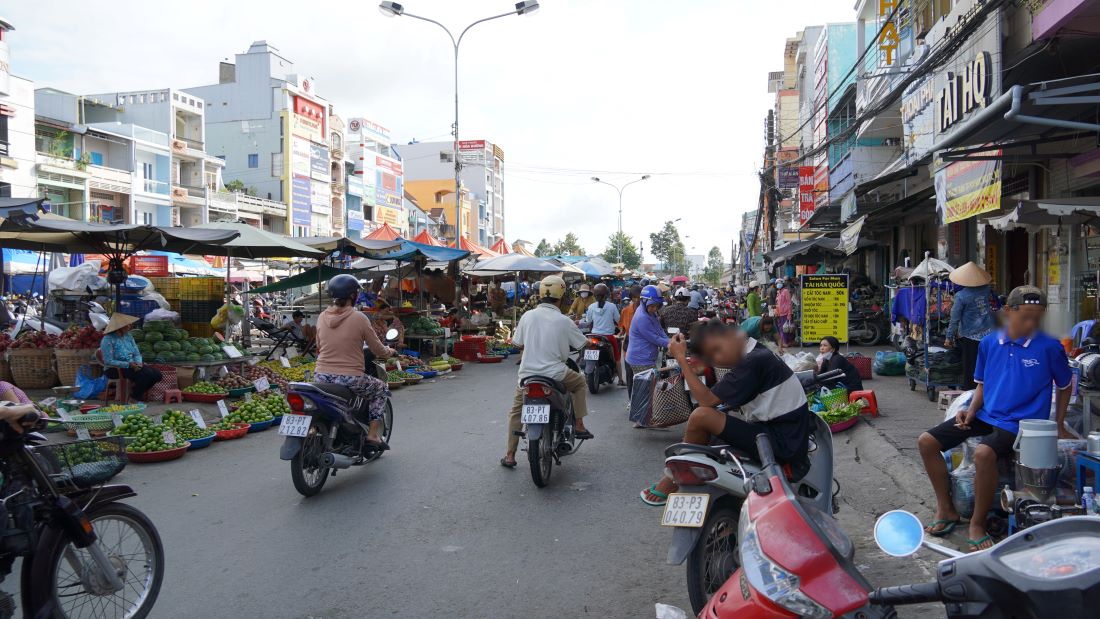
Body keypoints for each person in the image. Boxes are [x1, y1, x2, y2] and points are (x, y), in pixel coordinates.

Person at [916, 285, 1071, 552]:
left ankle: (977, 523)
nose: (1031, 323)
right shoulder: (989, 343)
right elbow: (983, 384)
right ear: (1008, 312)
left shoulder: (1049, 347)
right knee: (927, 441)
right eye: (1025, 316)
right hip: (988, 414)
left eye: (1037, 317)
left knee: (984, 454)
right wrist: (972, 410)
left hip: (1020, 423)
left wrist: (1058, 424)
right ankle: (946, 509)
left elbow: (1066, 385)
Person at [640, 321, 812, 505]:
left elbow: (707, 401)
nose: (717, 359)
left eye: (717, 350)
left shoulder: (753, 361)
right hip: (774, 433)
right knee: (708, 432)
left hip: (782, 443)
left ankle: (672, 480)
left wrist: (681, 359)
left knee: (701, 417)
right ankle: (685, 475)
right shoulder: (755, 353)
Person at [501, 275, 593, 468]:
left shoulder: (527, 316)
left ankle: (510, 454)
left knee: (516, 412)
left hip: (527, 376)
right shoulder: (564, 321)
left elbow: (517, 344)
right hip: (556, 374)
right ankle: (579, 424)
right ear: (561, 296)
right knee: (580, 384)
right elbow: (582, 343)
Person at [314, 274, 397, 449]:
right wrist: (389, 351)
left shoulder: (322, 317)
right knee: (381, 389)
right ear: (354, 295)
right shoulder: (359, 318)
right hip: (349, 378)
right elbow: (377, 349)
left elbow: (319, 346)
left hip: (321, 377)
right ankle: (373, 435)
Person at [944, 262, 997, 391]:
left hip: (970, 336)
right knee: (988, 365)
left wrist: (949, 337)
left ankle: (970, 394)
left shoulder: (961, 296)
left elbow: (955, 319)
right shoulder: (986, 290)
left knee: (970, 368)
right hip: (989, 333)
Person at [99, 313, 162, 402]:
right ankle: (135, 398)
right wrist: (128, 364)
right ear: (119, 327)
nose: (130, 326)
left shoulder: (128, 336)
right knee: (146, 374)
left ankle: (135, 393)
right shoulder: (107, 340)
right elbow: (108, 361)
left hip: (133, 365)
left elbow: (136, 353)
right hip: (114, 369)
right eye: (127, 324)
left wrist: (138, 363)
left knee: (157, 374)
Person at [625, 285, 671, 401]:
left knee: (651, 388)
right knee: (651, 391)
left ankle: (646, 413)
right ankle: (644, 415)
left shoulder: (651, 312)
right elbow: (654, 338)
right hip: (640, 360)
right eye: (652, 306)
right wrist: (671, 344)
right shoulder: (642, 317)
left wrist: (671, 341)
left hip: (646, 358)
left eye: (657, 306)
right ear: (644, 301)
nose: (655, 309)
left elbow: (659, 330)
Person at [584, 283, 623, 386]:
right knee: (617, 358)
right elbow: (619, 320)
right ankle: (620, 379)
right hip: (608, 337)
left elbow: (588, 321)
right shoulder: (612, 306)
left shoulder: (591, 307)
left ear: (595, 295)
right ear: (606, 295)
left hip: (593, 336)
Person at [618, 285, 642, 355]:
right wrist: (621, 332)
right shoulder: (625, 311)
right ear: (631, 298)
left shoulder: (648, 311)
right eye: (634, 298)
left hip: (643, 344)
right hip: (629, 342)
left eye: (639, 297)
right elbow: (621, 326)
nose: (637, 300)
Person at [775, 279, 793, 346]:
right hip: (779, 313)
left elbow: (789, 303)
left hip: (785, 313)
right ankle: (782, 342)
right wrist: (776, 312)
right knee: (780, 328)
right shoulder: (778, 292)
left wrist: (789, 313)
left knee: (784, 329)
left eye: (779, 283)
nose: (778, 284)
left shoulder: (785, 291)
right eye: (777, 283)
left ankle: (785, 342)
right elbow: (777, 303)